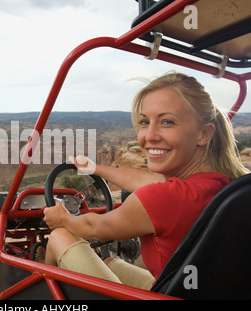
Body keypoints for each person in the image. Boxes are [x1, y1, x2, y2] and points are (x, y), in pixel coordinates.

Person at [41, 72, 250, 290]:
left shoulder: (165, 198)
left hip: (172, 293)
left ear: (204, 134)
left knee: (59, 236)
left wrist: (63, 219)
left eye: (167, 122)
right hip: (188, 286)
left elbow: (94, 227)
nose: (149, 136)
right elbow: (151, 183)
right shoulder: (226, 185)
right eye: (144, 122)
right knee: (111, 264)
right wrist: (95, 169)